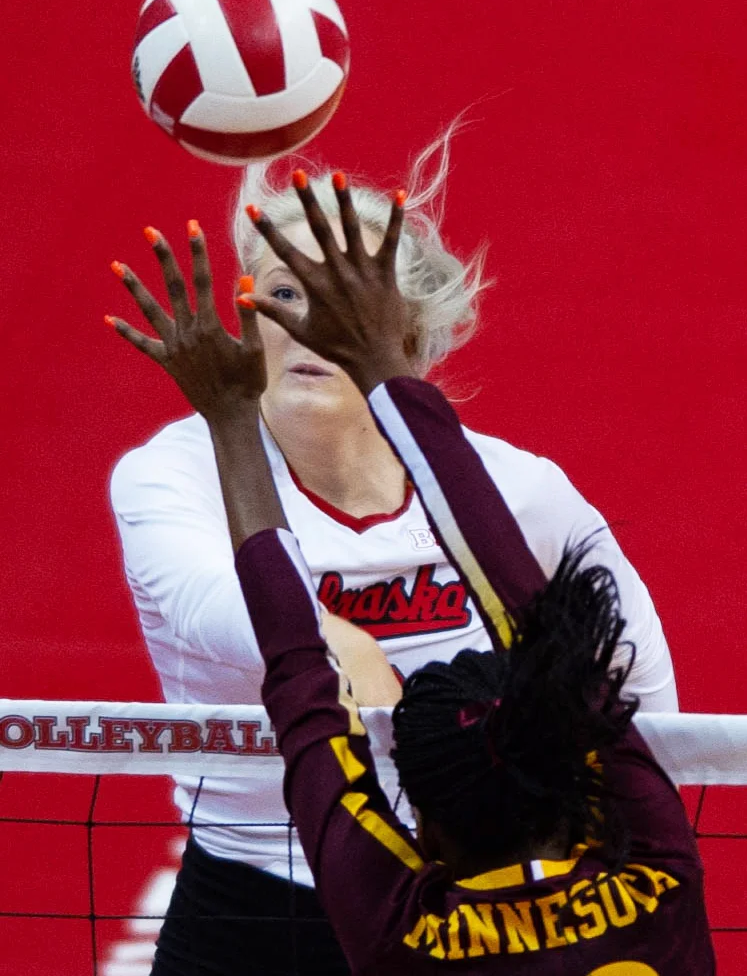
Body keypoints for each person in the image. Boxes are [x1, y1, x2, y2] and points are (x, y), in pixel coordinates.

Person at [107, 181, 713, 974]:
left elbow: (634, 685)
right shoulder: (171, 473)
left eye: (339, 296)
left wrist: (610, 856)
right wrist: (344, 647)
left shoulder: (516, 486)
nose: (306, 321)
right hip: (253, 904)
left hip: (469, 908)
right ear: (247, 320)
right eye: (282, 290)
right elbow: (207, 606)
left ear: (409, 335)